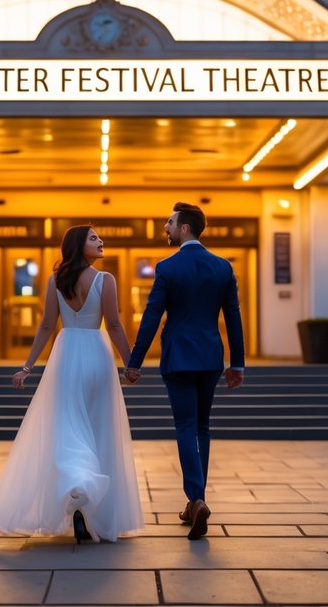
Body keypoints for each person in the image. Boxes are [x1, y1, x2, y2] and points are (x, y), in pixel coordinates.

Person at [0, 225, 143, 543]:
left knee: (69, 427)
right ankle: (89, 501)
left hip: (66, 355)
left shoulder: (55, 280)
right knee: (99, 429)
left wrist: (27, 367)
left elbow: (46, 325)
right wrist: (131, 363)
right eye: (93, 238)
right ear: (78, 245)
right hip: (97, 356)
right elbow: (113, 324)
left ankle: (77, 492)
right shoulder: (105, 280)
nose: (101, 242)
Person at [124, 201, 244, 540]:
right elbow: (232, 317)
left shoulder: (167, 268)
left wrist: (134, 362)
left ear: (185, 228)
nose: (166, 227)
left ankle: (196, 498)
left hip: (178, 358)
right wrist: (238, 363)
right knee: (202, 427)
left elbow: (151, 318)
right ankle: (196, 501)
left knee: (184, 425)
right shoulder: (222, 267)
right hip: (209, 358)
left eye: (170, 222)